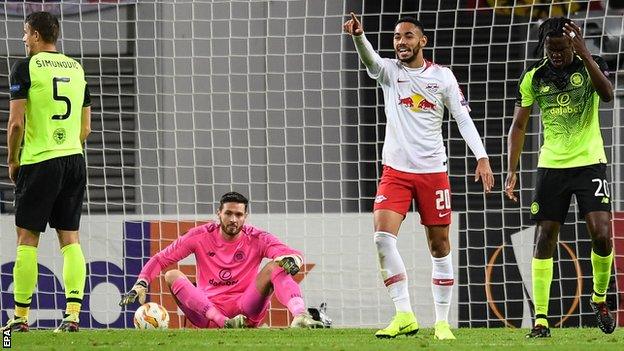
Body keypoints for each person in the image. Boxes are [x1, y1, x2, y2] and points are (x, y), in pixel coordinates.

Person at [343, 13, 494, 339]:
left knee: (439, 247)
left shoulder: (442, 77)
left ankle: (441, 322)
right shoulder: (389, 72)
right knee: (382, 238)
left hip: (432, 173)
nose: (401, 43)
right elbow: (370, 58)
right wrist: (358, 37)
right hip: (395, 172)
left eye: (408, 36)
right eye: (397, 37)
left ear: (422, 41)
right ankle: (405, 314)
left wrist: (481, 157)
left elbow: (463, 120)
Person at [505, 17, 615, 338]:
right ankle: (541, 320)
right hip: (552, 166)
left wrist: (585, 54)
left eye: (562, 48)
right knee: (544, 239)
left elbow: (607, 94)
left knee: (602, 234)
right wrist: (511, 169)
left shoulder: (589, 65)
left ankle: (598, 298)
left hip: (589, 163)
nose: (556, 55)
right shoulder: (533, 77)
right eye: (551, 49)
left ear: (573, 44)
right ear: (544, 47)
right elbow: (519, 126)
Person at [1, 12, 91, 333]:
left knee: (27, 238)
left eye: (26, 33)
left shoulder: (25, 68)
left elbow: (15, 124)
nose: (24, 39)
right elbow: (86, 127)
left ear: (37, 35)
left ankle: (20, 319)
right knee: (70, 239)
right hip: (73, 160)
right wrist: (65, 145)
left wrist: (13, 160)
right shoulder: (78, 69)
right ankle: (72, 315)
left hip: (39, 161)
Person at [119, 192, 323, 329]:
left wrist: (293, 260)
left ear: (245, 217)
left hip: (246, 309)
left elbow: (290, 253)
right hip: (207, 311)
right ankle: (224, 321)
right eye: (228, 213)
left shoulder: (257, 238)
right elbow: (160, 259)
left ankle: (299, 315)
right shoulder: (199, 236)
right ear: (219, 213)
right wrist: (142, 282)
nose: (233, 219)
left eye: (238, 214)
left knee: (275, 266)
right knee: (172, 275)